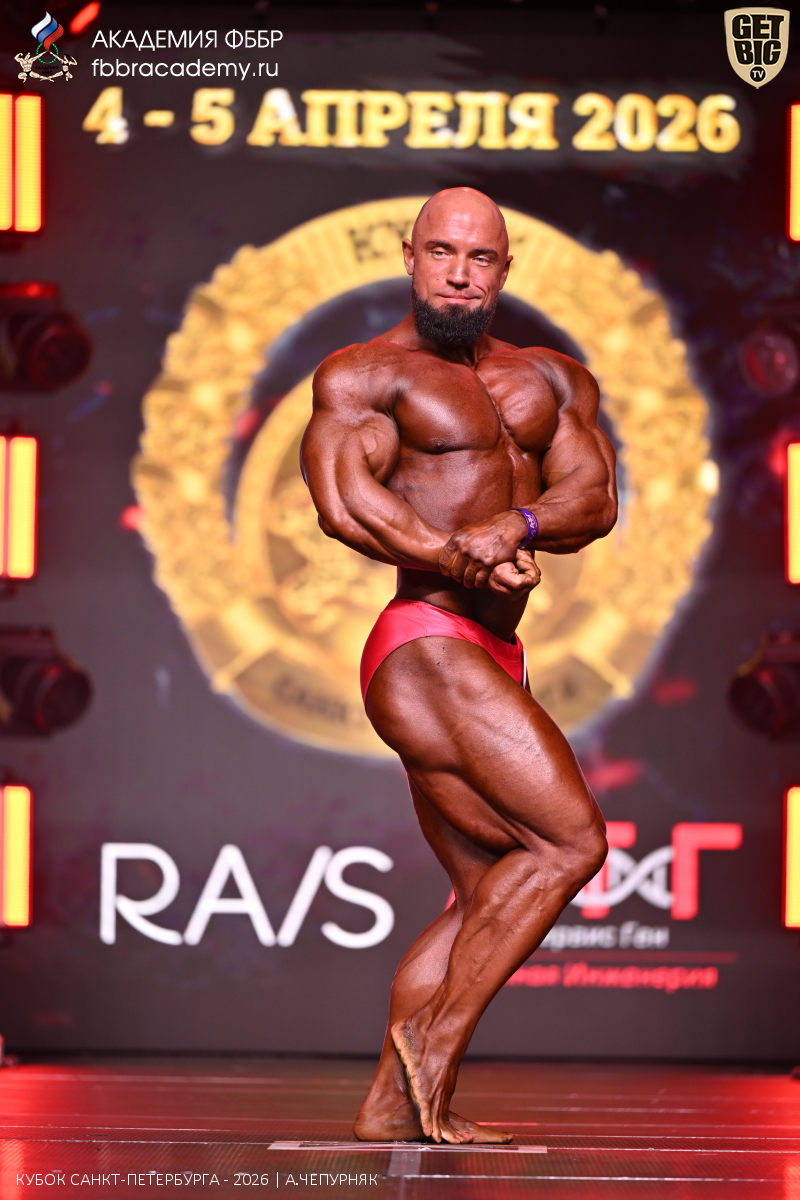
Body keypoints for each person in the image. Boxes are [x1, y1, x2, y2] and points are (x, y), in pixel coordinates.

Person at [300, 188, 617, 1145]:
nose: (459, 273)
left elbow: (593, 497)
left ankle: (389, 1106)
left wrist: (516, 524)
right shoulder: (368, 375)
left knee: (488, 891)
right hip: (426, 640)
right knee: (569, 844)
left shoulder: (550, 378)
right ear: (410, 255)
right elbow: (344, 501)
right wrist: (456, 555)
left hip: (496, 650)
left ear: (504, 271)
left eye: (480, 258)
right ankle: (431, 1044)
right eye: (441, 252)